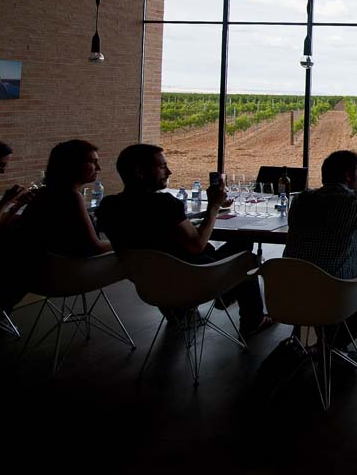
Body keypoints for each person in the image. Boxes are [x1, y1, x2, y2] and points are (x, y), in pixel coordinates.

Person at [95, 144, 273, 337]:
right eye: (162, 166)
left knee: (240, 243)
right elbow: (197, 245)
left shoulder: (108, 206)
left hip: (150, 283)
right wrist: (214, 206)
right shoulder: (164, 204)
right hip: (195, 277)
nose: (169, 172)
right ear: (140, 172)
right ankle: (252, 321)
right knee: (246, 257)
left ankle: (180, 310)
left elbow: (147, 232)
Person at [0, 140, 113, 330]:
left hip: (37, 276)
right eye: (93, 162)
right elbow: (93, 246)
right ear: (73, 165)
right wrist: (121, 243)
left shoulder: (44, 193)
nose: (98, 168)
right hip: (65, 276)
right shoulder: (72, 197)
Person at [282, 150, 357, 358]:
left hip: (290, 292)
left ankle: (323, 339)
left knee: (322, 272)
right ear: (348, 176)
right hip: (335, 294)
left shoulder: (300, 200)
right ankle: (335, 341)